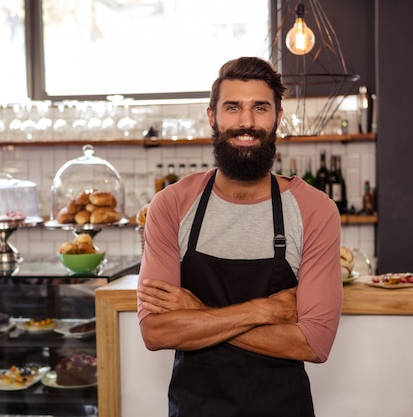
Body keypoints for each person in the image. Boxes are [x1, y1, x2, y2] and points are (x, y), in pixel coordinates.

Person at [136, 56, 343, 417]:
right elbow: (156, 331)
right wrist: (265, 310)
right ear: (212, 116)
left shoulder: (315, 209)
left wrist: (198, 313)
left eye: (260, 108)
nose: (246, 122)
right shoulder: (171, 205)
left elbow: (314, 342)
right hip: (195, 409)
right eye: (233, 107)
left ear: (278, 117)